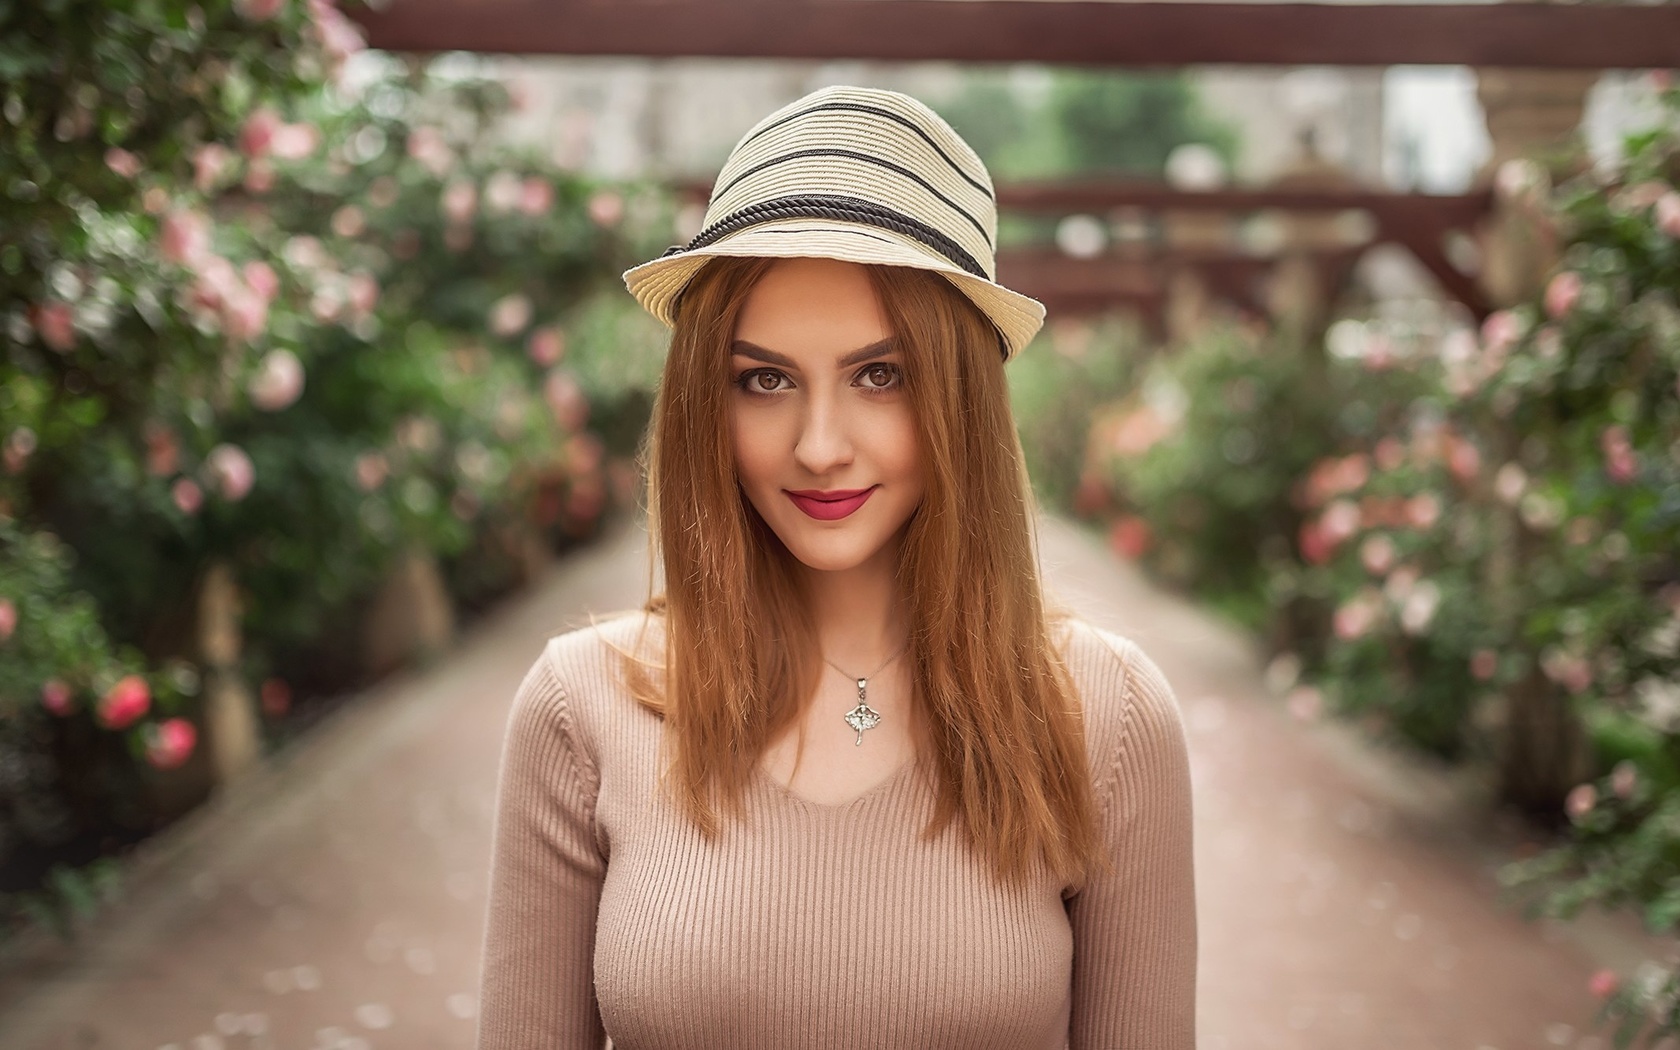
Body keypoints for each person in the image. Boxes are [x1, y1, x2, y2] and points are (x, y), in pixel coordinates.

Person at [475, 84, 1196, 1050]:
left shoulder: (1103, 716)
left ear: (962, 397)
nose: (820, 446)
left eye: (880, 376)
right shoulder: (583, 708)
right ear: (706, 400)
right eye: (764, 380)